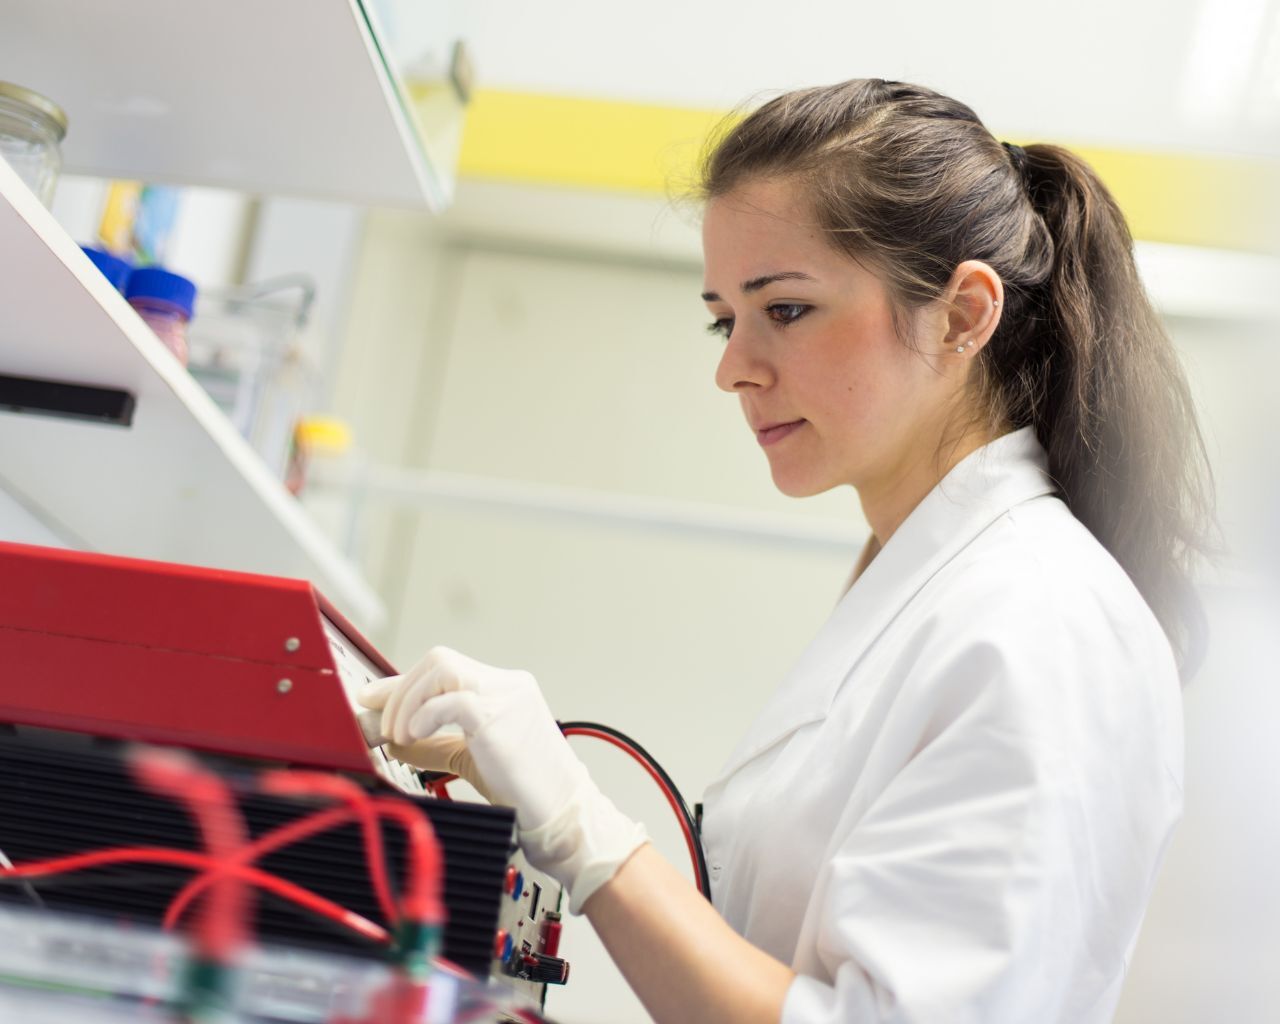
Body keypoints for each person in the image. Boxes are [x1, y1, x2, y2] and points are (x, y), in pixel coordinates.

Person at [359, 79, 1214, 1023]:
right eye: (727, 317)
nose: (733, 368)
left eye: (787, 310)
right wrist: (526, 783)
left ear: (965, 315)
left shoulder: (1043, 623)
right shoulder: (929, 585)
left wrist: (580, 827)